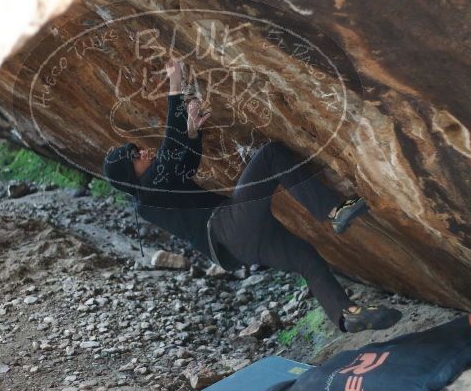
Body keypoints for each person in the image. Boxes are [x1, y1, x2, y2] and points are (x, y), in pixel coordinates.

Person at [103, 60, 401, 333]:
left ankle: (346, 313)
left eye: (135, 149)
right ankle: (334, 211)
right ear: (130, 175)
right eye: (134, 156)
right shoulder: (148, 195)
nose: (141, 151)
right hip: (228, 226)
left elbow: (184, 167)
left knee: (305, 258)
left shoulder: (153, 191)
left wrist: (192, 134)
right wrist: (175, 85)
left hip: (238, 246)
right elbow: (170, 149)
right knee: (271, 156)